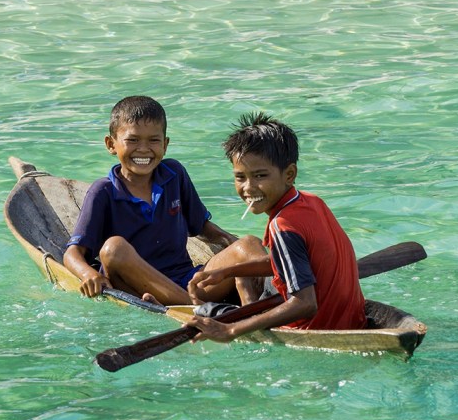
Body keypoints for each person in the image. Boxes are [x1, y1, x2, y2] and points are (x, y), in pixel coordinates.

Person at [187, 111, 367, 341]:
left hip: (310, 328)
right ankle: (245, 297)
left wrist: (230, 330)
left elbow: (305, 304)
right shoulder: (313, 202)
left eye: (260, 175)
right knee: (244, 278)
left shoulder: (282, 227)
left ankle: (241, 312)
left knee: (203, 312)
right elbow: (289, 261)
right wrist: (228, 271)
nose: (248, 188)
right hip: (353, 321)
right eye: (240, 177)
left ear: (289, 174)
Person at [63, 96, 239, 306]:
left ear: (165, 145)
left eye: (153, 140)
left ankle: (238, 308)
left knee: (249, 246)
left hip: (187, 283)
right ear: (111, 144)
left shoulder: (175, 174)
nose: (144, 149)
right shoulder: (103, 191)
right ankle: (197, 311)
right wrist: (87, 274)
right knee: (114, 248)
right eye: (132, 140)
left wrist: (232, 243)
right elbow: (72, 254)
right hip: (137, 290)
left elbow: (201, 226)